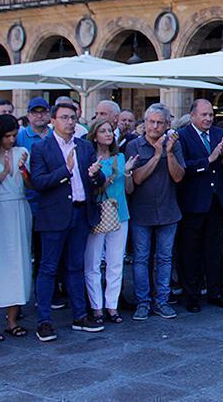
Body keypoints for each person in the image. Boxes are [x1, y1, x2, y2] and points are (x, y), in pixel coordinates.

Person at [30, 102, 107, 341]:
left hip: (81, 213)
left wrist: (96, 174)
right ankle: (44, 321)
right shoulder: (41, 148)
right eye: (64, 117)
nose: (70, 122)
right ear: (53, 120)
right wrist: (66, 169)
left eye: (73, 117)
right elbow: (39, 182)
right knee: (49, 268)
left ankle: (80, 315)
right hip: (54, 216)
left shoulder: (84, 147)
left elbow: (98, 181)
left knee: (76, 266)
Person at [176, 99, 223, 313]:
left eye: (211, 115)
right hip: (193, 202)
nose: (208, 119)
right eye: (204, 115)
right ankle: (191, 294)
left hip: (216, 202)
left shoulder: (219, 133)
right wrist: (209, 160)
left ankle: (216, 291)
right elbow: (182, 168)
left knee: (216, 250)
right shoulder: (182, 136)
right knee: (190, 251)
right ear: (192, 115)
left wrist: (222, 156)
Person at [125, 104, 185, 321]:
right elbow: (137, 178)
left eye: (160, 122)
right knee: (141, 258)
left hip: (168, 210)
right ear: (145, 123)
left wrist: (168, 154)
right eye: (151, 122)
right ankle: (143, 302)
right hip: (141, 211)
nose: (155, 126)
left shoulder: (175, 146)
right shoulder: (133, 146)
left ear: (167, 125)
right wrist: (156, 154)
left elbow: (178, 176)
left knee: (165, 259)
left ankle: (161, 301)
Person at [0, 115, 33, 342]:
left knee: (17, 264)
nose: (10, 140)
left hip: (18, 210)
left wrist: (22, 171)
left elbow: (30, 185)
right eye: (7, 136)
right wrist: (3, 172)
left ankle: (12, 320)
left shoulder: (22, 153)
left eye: (13, 135)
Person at [83, 120, 136, 324]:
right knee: (93, 263)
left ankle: (111, 306)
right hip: (97, 213)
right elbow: (92, 188)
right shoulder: (88, 160)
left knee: (116, 262)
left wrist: (128, 172)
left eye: (109, 131)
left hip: (120, 213)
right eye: (102, 131)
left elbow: (129, 190)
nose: (107, 134)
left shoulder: (121, 158)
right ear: (94, 135)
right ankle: (96, 306)